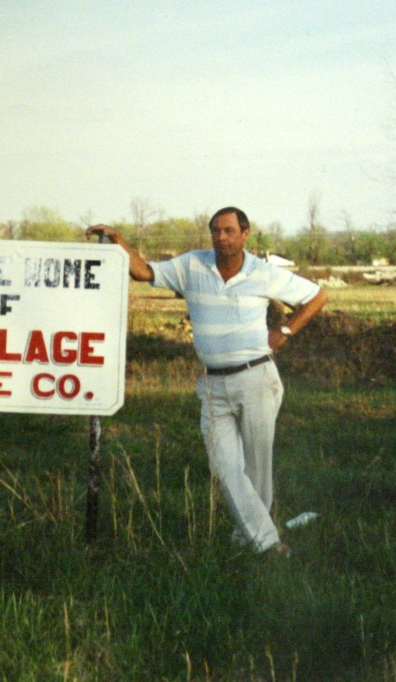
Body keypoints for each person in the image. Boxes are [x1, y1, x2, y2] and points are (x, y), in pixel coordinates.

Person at [88, 207, 327, 557]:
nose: (221, 237)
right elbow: (144, 271)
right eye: (216, 230)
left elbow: (317, 296)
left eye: (229, 230)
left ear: (245, 234)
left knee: (257, 469)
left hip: (256, 377)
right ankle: (267, 542)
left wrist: (286, 331)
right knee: (224, 466)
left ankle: (256, 542)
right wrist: (119, 242)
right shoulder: (191, 266)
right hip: (213, 385)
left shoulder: (263, 273)